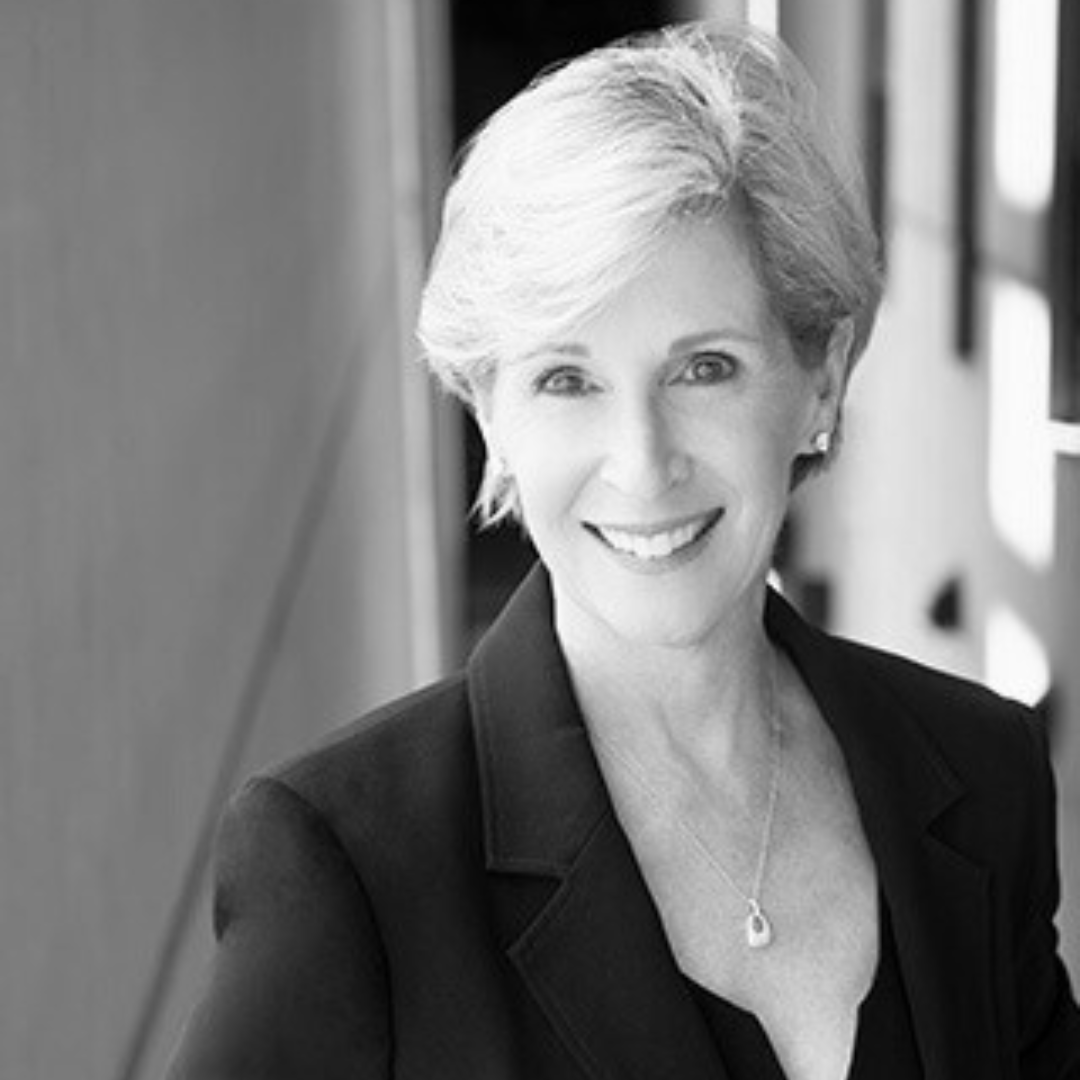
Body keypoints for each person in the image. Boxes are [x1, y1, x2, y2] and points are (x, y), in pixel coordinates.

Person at [167, 21, 1080, 1080]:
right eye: (568, 380)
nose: (643, 464)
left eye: (704, 368)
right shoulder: (349, 869)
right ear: (491, 414)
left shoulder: (982, 773)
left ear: (821, 382)